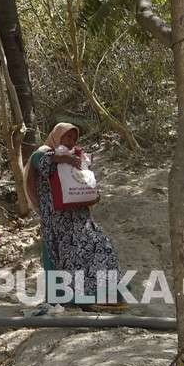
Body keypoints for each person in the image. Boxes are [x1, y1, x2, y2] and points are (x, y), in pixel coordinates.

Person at [23, 123, 122, 309]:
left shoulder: (78, 158)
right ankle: (67, 299)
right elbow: (43, 162)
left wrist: (91, 192)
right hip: (57, 221)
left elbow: (82, 182)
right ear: (56, 136)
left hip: (80, 220)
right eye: (66, 137)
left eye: (73, 138)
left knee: (103, 249)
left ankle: (100, 295)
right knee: (67, 257)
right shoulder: (42, 154)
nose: (70, 142)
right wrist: (65, 159)